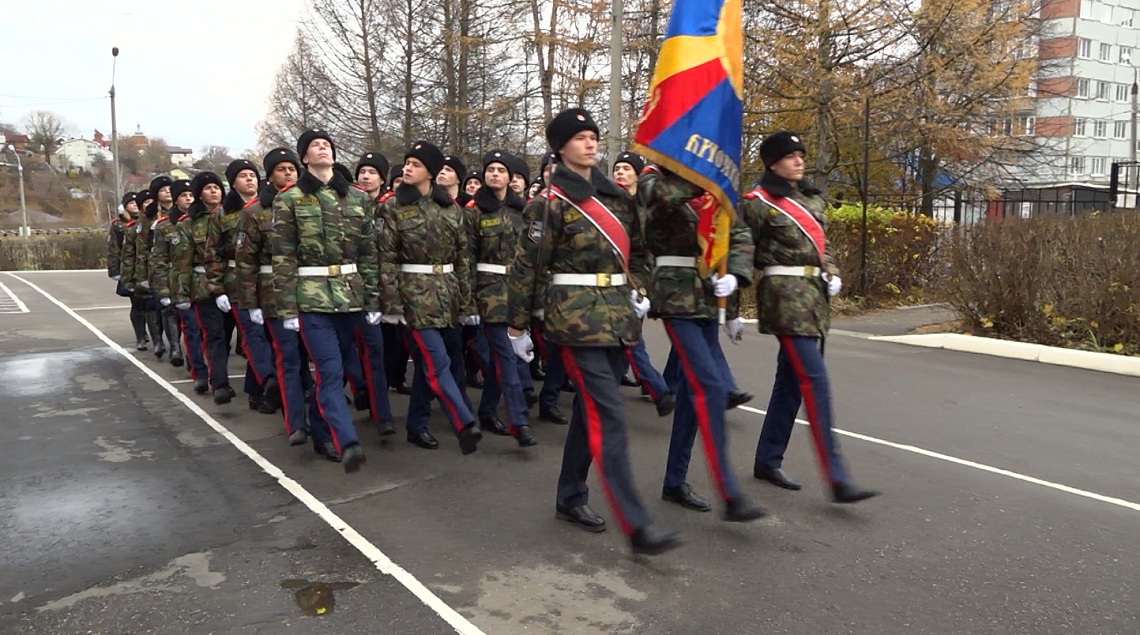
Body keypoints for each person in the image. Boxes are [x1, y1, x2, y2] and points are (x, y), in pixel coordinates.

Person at [509, 108, 679, 555]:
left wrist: (640, 288)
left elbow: (641, 253)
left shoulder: (619, 199)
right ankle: (637, 524)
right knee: (609, 416)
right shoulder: (549, 202)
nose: (590, 143)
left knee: (590, 412)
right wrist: (517, 326)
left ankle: (569, 496)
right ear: (560, 147)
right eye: (579, 137)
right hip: (576, 321)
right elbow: (528, 267)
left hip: (619, 319)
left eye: (592, 136)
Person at [742, 131, 880, 504]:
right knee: (815, 381)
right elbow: (741, 247)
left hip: (815, 299)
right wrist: (730, 303)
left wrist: (831, 271)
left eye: (801, 154)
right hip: (785, 299)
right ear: (772, 163)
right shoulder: (757, 203)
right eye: (790, 156)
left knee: (789, 381)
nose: (799, 160)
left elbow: (823, 246)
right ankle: (836, 476)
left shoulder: (812, 199)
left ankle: (767, 460)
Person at [638, 163, 766, 522]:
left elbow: (738, 234)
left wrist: (737, 276)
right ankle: (730, 493)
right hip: (675, 294)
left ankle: (675, 480)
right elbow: (655, 198)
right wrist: (704, 181)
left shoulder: (716, 187)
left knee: (694, 394)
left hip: (708, 294)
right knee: (710, 386)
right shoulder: (654, 178)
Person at [270, 130, 377, 472]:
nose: (323, 147)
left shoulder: (358, 199)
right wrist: (286, 307)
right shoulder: (289, 200)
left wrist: (373, 299)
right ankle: (347, 441)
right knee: (329, 371)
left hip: (349, 298)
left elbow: (368, 253)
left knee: (340, 370)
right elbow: (283, 257)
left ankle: (320, 429)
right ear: (304, 158)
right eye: (315, 145)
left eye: (327, 144)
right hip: (312, 300)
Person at [376, 140, 481, 454]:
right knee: (436, 361)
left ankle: (416, 425)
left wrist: (466, 303)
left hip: (447, 296)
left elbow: (463, 259)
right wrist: (391, 304)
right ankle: (462, 420)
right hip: (414, 297)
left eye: (416, 164)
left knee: (431, 364)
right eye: (407, 163)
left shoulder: (450, 208)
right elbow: (386, 259)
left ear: (432, 173)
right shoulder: (392, 207)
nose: (408, 168)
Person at [467, 149, 538, 447]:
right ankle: (518, 421)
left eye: (500, 170)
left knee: (503, 357)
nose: (494, 174)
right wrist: (469, 301)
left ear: (511, 177)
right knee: (507, 356)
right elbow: (467, 258)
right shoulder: (473, 212)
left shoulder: (522, 211)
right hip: (488, 293)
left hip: (517, 292)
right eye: (490, 169)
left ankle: (486, 410)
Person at [612, 151, 674, 417]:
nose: (620, 173)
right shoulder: (608, 203)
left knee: (626, 338)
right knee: (626, 339)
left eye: (626, 168)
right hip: (610, 278)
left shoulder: (646, 208)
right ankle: (657, 388)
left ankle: (653, 387)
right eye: (617, 168)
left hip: (639, 277)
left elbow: (646, 251)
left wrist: (642, 288)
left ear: (638, 175)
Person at [171, 172, 235, 404]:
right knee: (214, 335)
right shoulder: (188, 223)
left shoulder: (232, 215)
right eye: (208, 188)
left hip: (234, 282)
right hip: (204, 287)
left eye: (217, 187)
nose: (214, 192)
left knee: (230, 336)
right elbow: (182, 262)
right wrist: (181, 294)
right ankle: (220, 383)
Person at [351, 151, 397, 437]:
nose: (366, 177)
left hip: (381, 287)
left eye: (372, 172)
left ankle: (382, 413)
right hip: (350, 285)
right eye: (362, 171)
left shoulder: (391, 206)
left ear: (382, 177)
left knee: (375, 350)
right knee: (348, 349)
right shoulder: (349, 203)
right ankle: (359, 388)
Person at [150, 179, 192, 368]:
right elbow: (158, 259)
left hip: (193, 278)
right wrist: (162, 289)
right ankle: (175, 346)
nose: (189, 199)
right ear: (176, 200)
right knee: (170, 312)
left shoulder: (200, 221)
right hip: (171, 276)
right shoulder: (164, 226)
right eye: (184, 196)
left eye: (191, 195)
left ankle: (193, 359)